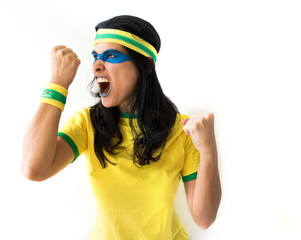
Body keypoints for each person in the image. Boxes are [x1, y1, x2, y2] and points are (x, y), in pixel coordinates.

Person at [21, 15, 221, 240]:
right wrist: (57, 83)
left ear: (145, 66)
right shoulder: (88, 124)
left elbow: (204, 219)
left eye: (111, 56)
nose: (96, 66)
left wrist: (208, 151)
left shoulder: (182, 130)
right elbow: (33, 169)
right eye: (96, 57)